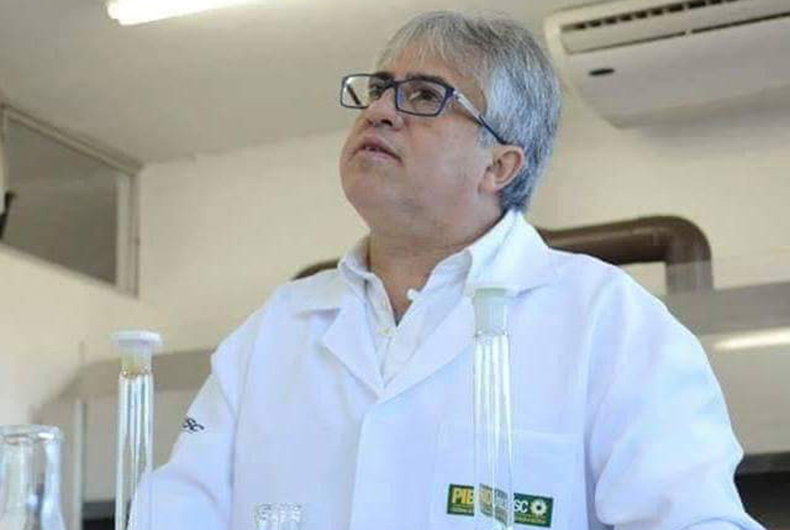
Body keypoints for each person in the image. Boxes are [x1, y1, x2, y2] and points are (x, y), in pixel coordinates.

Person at [147, 11, 763, 530]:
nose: (380, 111)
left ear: (500, 166)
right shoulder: (276, 328)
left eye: (423, 96)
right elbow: (174, 514)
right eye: (379, 89)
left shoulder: (608, 320)